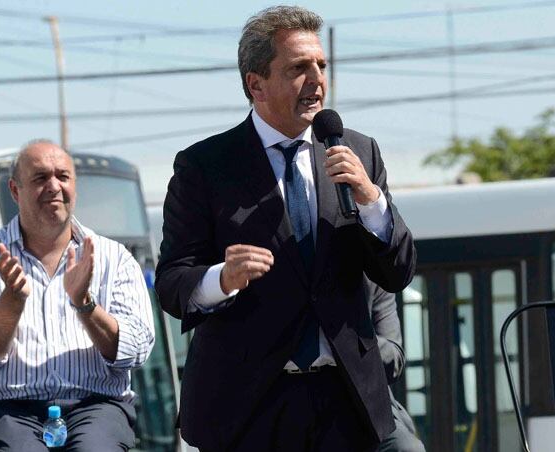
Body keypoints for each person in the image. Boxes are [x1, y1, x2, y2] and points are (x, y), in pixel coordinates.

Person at [155, 5, 416, 451]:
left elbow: (398, 273)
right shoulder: (204, 166)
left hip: (346, 400)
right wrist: (222, 278)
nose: (316, 79)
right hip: (251, 404)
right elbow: (172, 282)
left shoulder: (358, 152)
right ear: (255, 84)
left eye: (321, 65)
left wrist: (373, 202)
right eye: (298, 67)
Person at [0, 140, 155, 451]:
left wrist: (85, 305)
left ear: (75, 187)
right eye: (40, 178)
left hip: (94, 407)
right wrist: (12, 300)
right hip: (6, 409)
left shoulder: (115, 258)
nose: (54, 186)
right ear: (15, 191)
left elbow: (136, 350)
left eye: (63, 176)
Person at [365, 278, 425, 452]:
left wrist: (350, 334)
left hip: (365, 405)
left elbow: (394, 360)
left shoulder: (373, 281)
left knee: (407, 449)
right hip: (296, 399)